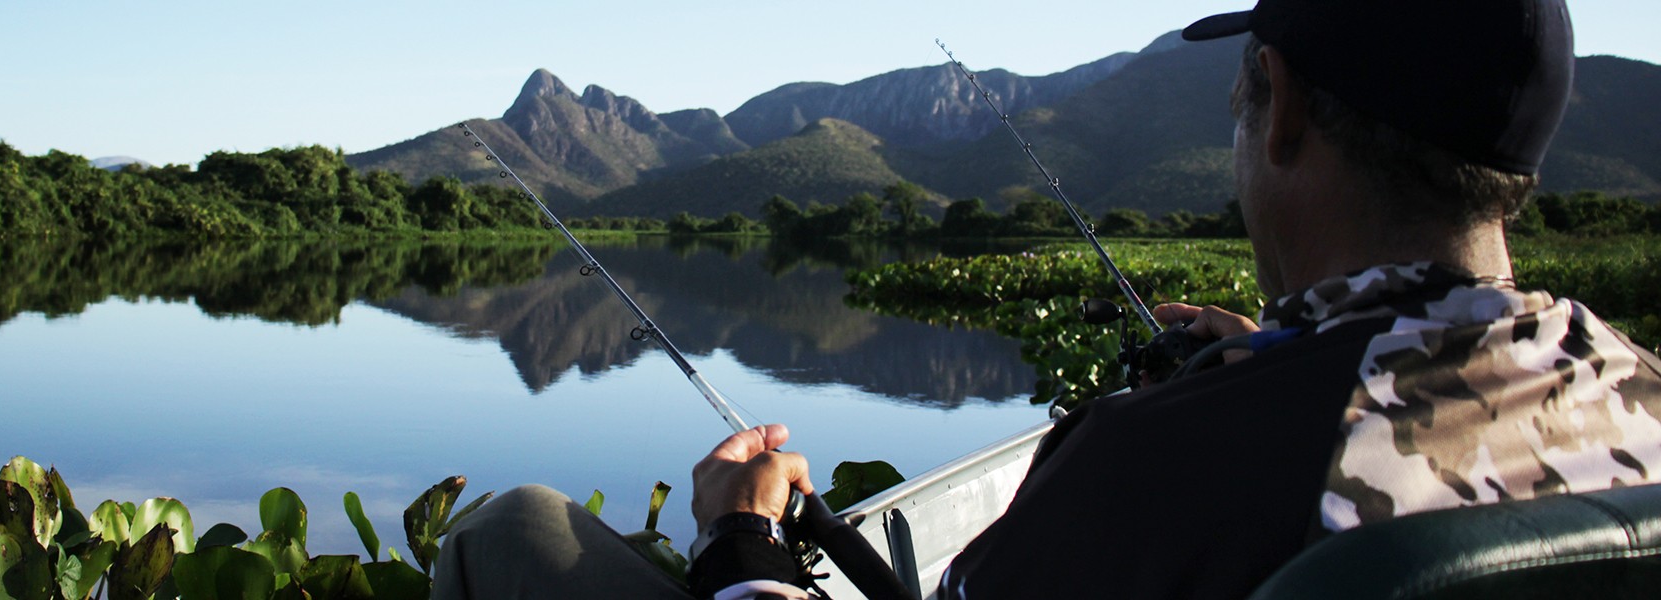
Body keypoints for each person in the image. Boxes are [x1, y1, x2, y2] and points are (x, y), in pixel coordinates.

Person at [432, 0, 1661, 597]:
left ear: (1278, 105)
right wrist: (1281, 356)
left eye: (1240, 101)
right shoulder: (1637, 389)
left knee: (512, 537)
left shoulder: (1177, 463)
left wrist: (743, 544)